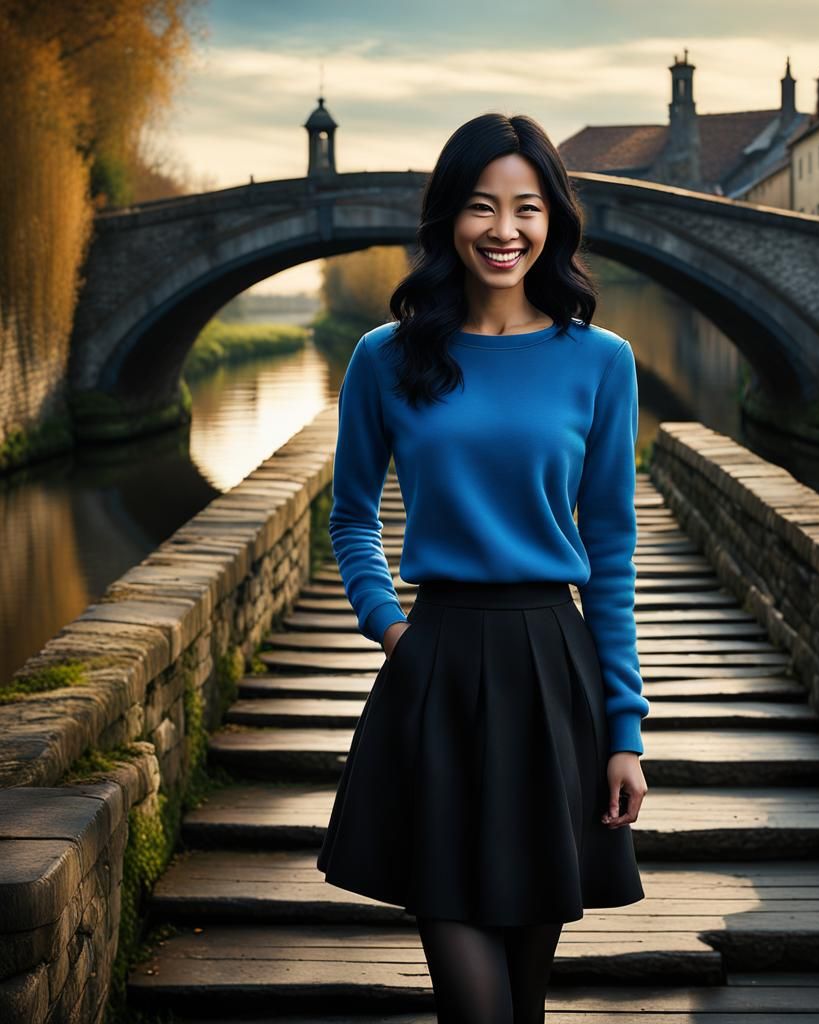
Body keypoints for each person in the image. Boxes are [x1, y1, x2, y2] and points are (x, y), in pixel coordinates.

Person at [316, 111, 650, 1023]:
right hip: (435, 666)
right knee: (475, 1002)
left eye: (526, 209)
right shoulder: (386, 358)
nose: (504, 230)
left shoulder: (602, 363)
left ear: (554, 223)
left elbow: (612, 556)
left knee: (525, 999)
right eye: (481, 208)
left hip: (555, 671)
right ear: (448, 222)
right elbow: (349, 516)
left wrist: (626, 731)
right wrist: (387, 624)